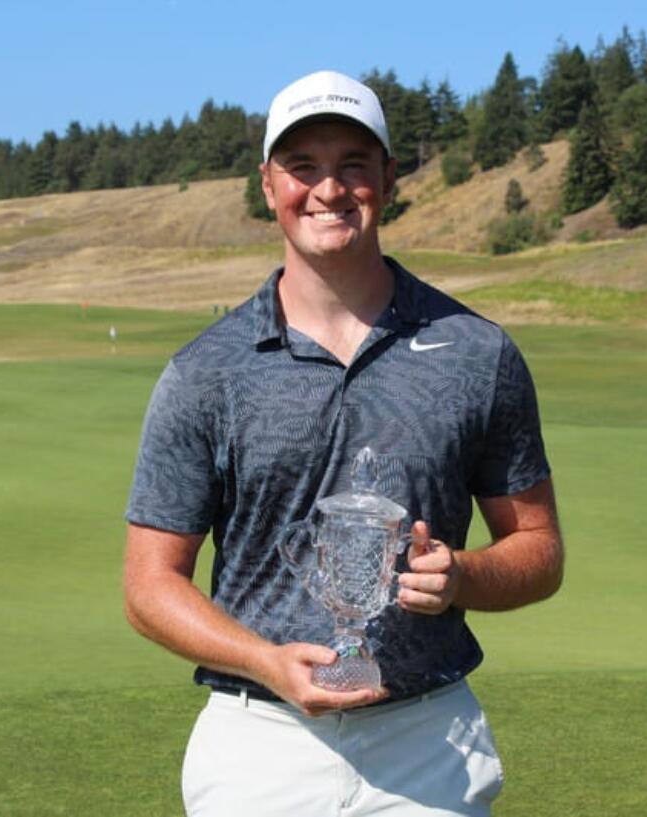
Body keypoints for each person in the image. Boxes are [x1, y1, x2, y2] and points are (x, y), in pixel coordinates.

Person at [123, 70, 564, 816]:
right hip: (259, 740)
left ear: (389, 179)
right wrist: (264, 659)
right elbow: (148, 584)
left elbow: (539, 548)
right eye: (304, 166)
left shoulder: (475, 352)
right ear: (268, 185)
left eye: (353, 164)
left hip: (428, 742)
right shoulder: (206, 371)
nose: (329, 189)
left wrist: (460, 576)